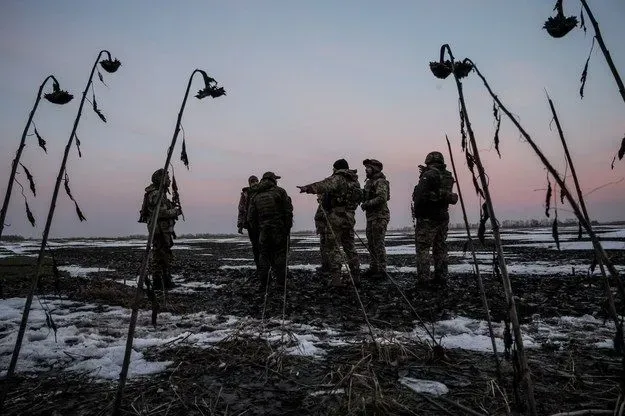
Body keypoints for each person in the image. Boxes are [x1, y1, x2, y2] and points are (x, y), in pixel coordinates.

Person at [298, 159, 362, 287]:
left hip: (336, 217)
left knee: (333, 247)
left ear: (336, 168)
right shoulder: (355, 182)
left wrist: (307, 188)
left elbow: (323, 185)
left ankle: (336, 280)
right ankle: (356, 277)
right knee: (350, 246)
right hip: (350, 217)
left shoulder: (338, 178)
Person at [412, 151, 458, 284]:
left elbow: (421, 197)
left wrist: (418, 213)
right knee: (440, 247)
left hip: (428, 217)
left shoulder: (429, 174)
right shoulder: (448, 176)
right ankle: (442, 277)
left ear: (428, 161)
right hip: (443, 215)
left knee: (423, 248)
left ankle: (424, 279)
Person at [247, 171, 293, 289]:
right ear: (273, 180)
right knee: (280, 255)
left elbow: (251, 217)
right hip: (278, 230)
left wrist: (258, 231)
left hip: (263, 231)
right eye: (275, 179)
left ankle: (264, 284)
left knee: (263, 255)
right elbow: (288, 211)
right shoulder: (280, 191)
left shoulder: (255, 195)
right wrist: (287, 228)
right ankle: (281, 283)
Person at [139, 168, 182, 290]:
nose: (169, 180)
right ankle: (159, 283)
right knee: (160, 256)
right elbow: (161, 213)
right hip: (159, 230)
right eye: (167, 178)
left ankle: (165, 281)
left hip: (163, 230)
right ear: (161, 179)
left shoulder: (159, 193)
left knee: (164, 255)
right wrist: (175, 211)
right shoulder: (156, 194)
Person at [361, 159, 390, 279]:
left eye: (368, 167)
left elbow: (382, 198)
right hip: (371, 217)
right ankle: (373, 268)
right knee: (371, 243)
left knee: (378, 243)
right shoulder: (369, 182)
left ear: (374, 169)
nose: (366, 170)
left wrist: (367, 204)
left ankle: (382, 270)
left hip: (379, 216)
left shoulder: (381, 181)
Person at [237, 175, 260, 269]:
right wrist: (240, 225)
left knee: (264, 245)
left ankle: (265, 267)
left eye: (256, 181)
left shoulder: (262, 191)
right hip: (251, 224)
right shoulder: (245, 194)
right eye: (252, 181)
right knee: (255, 245)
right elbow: (241, 210)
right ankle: (259, 266)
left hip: (262, 223)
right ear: (249, 183)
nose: (254, 182)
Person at [314, 194, 332, 276]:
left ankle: (328, 268)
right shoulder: (321, 205)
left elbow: (327, 216)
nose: (318, 197)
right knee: (323, 249)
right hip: (322, 230)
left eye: (319, 195)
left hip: (326, 230)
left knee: (327, 248)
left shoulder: (326, 205)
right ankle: (325, 266)